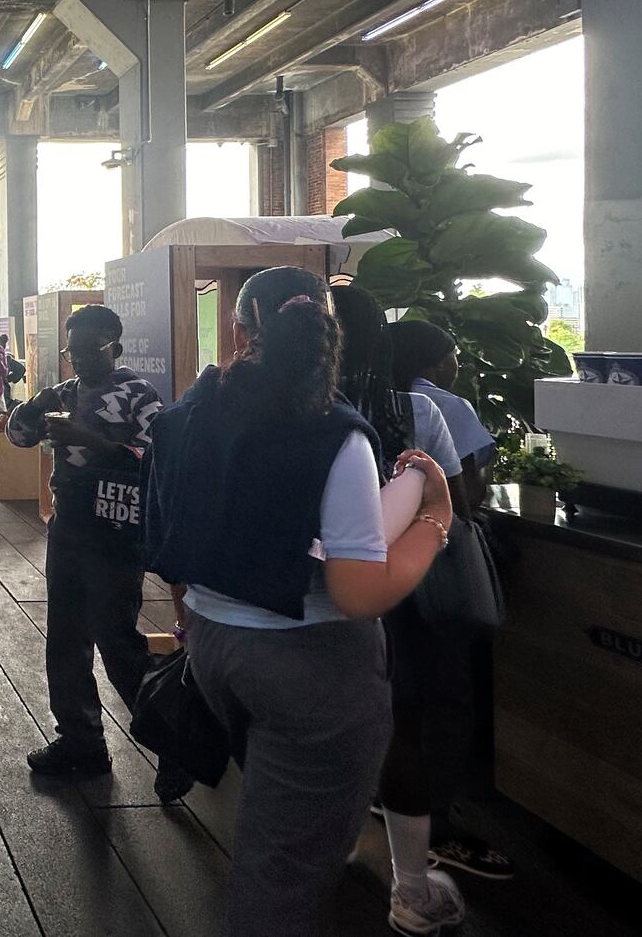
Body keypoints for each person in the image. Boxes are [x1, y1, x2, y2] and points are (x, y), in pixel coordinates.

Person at [145, 267, 453, 937]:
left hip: (215, 645)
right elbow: (357, 588)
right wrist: (434, 521)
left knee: (278, 820)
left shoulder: (186, 416)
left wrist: (194, 621)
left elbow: (172, 542)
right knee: (278, 880)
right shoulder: (334, 433)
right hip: (313, 668)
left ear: (240, 327)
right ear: (326, 331)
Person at [329, 284, 479, 931]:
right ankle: (413, 889)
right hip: (402, 597)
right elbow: (461, 508)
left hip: (322, 596)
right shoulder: (417, 411)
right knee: (403, 729)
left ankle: (327, 848)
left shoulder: (308, 412)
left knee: (321, 729)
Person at [6, 305, 173, 785]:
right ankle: (81, 741)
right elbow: (18, 436)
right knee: (65, 637)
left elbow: (153, 457)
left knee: (117, 637)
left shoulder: (140, 394)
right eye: (71, 350)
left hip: (116, 528)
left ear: (115, 348)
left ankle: (172, 737)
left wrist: (90, 439)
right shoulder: (62, 393)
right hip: (70, 524)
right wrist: (30, 407)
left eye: (87, 350)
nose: (77, 359)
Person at [391, 320, 497, 510]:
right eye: (454, 355)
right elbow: (469, 490)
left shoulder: (371, 397)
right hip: (437, 523)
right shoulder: (449, 406)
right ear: (440, 363)